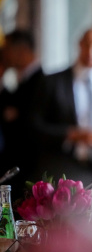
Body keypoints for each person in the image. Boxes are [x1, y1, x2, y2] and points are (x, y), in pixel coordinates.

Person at [32, 25, 92, 192]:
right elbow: (33, 126)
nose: (91, 51)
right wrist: (71, 134)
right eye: (88, 44)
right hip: (61, 169)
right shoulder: (53, 82)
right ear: (79, 44)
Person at [0, 30, 45, 202]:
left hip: (29, 172)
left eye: (6, 49)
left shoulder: (42, 83)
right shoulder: (20, 83)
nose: (3, 54)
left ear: (22, 50)